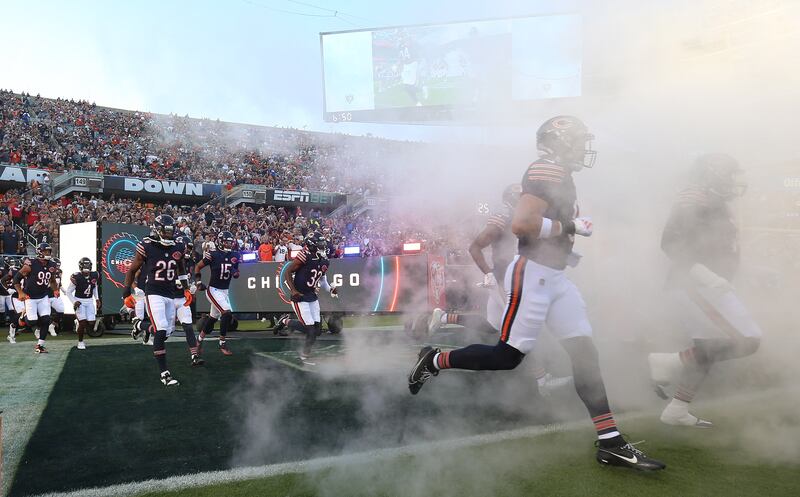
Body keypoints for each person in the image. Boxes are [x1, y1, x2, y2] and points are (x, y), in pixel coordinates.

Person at [407, 116, 665, 470]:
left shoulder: (561, 174)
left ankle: (610, 442)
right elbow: (522, 225)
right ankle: (434, 359)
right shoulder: (547, 170)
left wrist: (565, 248)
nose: (583, 148)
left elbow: (542, 230)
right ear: (558, 143)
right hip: (533, 276)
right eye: (577, 141)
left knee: (585, 354)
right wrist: (570, 226)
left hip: (554, 277)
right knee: (507, 356)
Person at [427, 183, 572, 396]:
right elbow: (475, 246)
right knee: (525, 331)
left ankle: (444, 318)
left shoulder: (517, 215)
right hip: (505, 280)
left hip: (508, 277)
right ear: (515, 199)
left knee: (492, 325)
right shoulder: (504, 214)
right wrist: (488, 272)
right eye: (523, 197)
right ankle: (542, 380)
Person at [649, 154, 760, 427]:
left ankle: (676, 409)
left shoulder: (716, 202)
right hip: (693, 285)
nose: (736, 180)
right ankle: (667, 361)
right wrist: (705, 275)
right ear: (714, 174)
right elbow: (670, 243)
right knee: (748, 339)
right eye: (730, 173)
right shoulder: (694, 198)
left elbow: (721, 248)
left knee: (708, 349)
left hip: (706, 286)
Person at [123, 215, 192, 386]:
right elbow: (132, 270)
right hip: (153, 292)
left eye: (171, 231)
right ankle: (164, 374)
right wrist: (126, 294)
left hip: (170, 293)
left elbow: (181, 268)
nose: (169, 234)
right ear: (157, 229)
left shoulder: (178, 245)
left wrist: (186, 288)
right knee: (160, 331)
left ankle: (140, 325)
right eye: (165, 231)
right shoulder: (147, 245)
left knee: (166, 332)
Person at [273, 231, 339, 361]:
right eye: (319, 245)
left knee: (317, 331)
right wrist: (293, 291)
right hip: (301, 297)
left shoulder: (324, 260)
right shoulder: (305, 255)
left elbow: (322, 279)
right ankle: (304, 354)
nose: (322, 247)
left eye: (322, 244)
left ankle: (286, 322)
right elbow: (287, 272)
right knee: (310, 330)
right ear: (311, 245)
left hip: (312, 296)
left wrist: (330, 289)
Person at [194, 230, 239, 356]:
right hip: (213, 290)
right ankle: (222, 342)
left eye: (230, 242)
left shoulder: (234, 255)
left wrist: (236, 273)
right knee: (226, 312)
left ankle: (199, 340)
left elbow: (235, 271)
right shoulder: (213, 254)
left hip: (225, 291)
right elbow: (198, 266)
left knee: (213, 318)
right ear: (220, 241)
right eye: (226, 242)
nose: (229, 245)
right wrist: (198, 282)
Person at [13, 242, 60, 353]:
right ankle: (22, 316)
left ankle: (40, 345)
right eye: (45, 251)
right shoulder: (30, 264)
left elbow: (52, 280)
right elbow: (16, 279)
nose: (48, 253)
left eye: (49, 251)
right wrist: (20, 293)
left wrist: (55, 289)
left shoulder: (52, 265)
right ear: (39, 252)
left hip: (43, 296)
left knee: (46, 319)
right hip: (30, 296)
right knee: (32, 322)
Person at [172, 235, 203, 366]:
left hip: (182, 298)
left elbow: (191, 277)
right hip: (168, 298)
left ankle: (194, 356)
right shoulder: (171, 259)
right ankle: (140, 326)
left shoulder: (190, 261)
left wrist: (193, 285)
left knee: (188, 327)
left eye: (190, 248)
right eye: (187, 248)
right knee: (165, 331)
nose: (188, 251)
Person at [66, 257, 100, 350]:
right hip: (79, 301)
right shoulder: (76, 277)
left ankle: (78, 322)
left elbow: (94, 287)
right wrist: (74, 301)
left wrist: (97, 299)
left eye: (88, 266)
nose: (87, 268)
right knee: (83, 323)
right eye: (85, 266)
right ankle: (80, 342)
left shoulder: (95, 275)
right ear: (81, 267)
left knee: (91, 323)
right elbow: (68, 292)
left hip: (89, 301)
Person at [47, 257, 64, 336]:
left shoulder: (60, 272)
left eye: (58, 266)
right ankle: (39, 329)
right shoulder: (46, 271)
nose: (57, 268)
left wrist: (64, 290)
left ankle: (52, 325)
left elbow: (58, 283)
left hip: (55, 295)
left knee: (61, 310)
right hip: (45, 296)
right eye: (56, 266)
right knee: (44, 314)